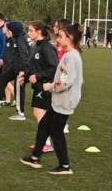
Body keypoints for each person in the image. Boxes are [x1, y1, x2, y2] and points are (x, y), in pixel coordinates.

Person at [21, 24, 84, 175]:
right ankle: (35, 157)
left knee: (56, 132)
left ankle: (65, 165)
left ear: (70, 38)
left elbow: (64, 82)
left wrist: (47, 87)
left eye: (61, 36)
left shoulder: (71, 57)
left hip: (64, 101)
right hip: (59, 101)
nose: (58, 38)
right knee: (44, 125)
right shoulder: (68, 55)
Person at [17, 20, 59, 151]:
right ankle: (45, 142)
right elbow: (34, 67)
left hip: (46, 86)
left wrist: (38, 76)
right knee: (41, 114)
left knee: (39, 112)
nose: (28, 33)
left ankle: (46, 143)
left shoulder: (47, 47)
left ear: (39, 32)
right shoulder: (37, 46)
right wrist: (26, 78)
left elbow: (54, 68)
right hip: (39, 86)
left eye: (31, 30)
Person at [0, 21, 30, 116]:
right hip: (15, 68)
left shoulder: (21, 39)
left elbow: (25, 56)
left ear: (14, 30)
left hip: (21, 69)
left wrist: (22, 71)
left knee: (19, 90)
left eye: (8, 30)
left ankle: (20, 113)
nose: (7, 32)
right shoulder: (15, 38)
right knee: (2, 78)